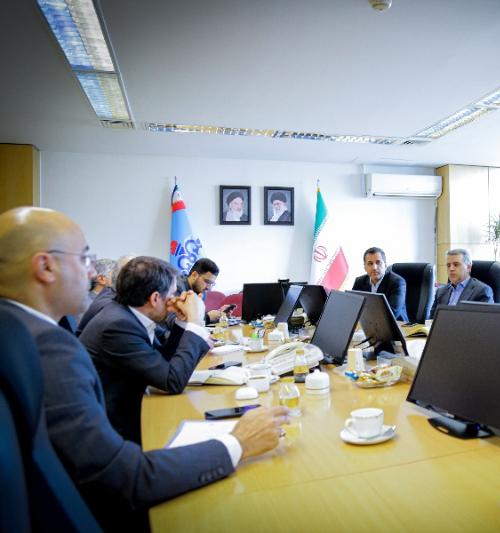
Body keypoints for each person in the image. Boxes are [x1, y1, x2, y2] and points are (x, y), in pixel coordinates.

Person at [0, 207, 289, 532]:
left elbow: (160, 362)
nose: (94, 273)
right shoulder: (47, 346)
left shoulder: (18, 331)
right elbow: (124, 477)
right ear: (45, 266)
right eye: (84, 258)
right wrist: (238, 443)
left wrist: (184, 325)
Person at [79, 256, 211, 445]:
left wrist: (182, 322)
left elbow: (163, 362)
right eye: (172, 294)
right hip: (114, 433)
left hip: (132, 408)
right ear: (155, 298)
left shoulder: (126, 314)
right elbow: (172, 381)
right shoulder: (118, 326)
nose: (175, 300)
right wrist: (195, 322)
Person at [75, 254, 134, 335]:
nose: (120, 278)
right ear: (101, 279)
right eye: (114, 274)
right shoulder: (84, 304)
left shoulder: (106, 299)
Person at [430, 248, 493, 317]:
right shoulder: (441, 291)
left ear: (468, 267)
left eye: (456, 264)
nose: (451, 269)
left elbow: (484, 320)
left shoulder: (482, 291)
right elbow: (432, 319)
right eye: (448, 265)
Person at [352, 246, 408, 322]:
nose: (374, 267)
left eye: (378, 263)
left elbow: (392, 313)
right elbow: (353, 307)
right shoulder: (359, 281)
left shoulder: (397, 282)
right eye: (370, 263)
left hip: (397, 324)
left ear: (385, 265)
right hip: (368, 324)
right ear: (365, 267)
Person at [179, 258, 231, 323]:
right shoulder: (177, 286)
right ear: (194, 275)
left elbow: (198, 315)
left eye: (212, 284)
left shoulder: (201, 291)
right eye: (207, 281)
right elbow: (174, 322)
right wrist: (207, 317)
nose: (209, 288)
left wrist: (219, 314)